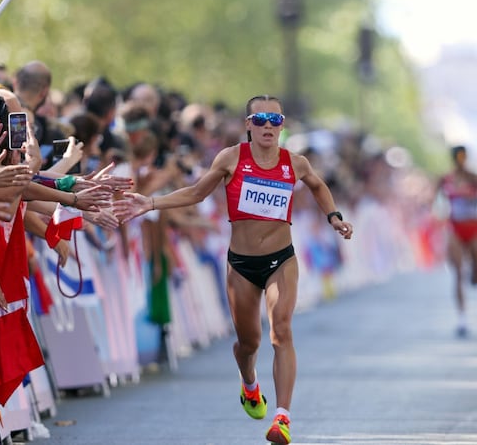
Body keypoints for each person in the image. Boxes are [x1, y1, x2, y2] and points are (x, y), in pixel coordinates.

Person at [118, 95, 353, 444]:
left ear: (283, 125)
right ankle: (249, 384)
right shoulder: (231, 158)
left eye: (275, 119)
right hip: (241, 265)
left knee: (282, 332)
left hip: (281, 260)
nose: (268, 126)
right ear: (248, 125)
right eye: (260, 119)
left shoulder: (295, 163)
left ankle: (282, 419)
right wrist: (150, 202)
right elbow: (197, 193)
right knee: (248, 343)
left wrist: (333, 216)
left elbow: (318, 185)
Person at [438, 145, 477, 337]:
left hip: (474, 227)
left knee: (475, 271)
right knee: (458, 272)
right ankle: (462, 319)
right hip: (455, 227)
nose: (460, 160)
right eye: (458, 157)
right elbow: (437, 203)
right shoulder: (445, 179)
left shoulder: (473, 178)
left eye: (463, 157)